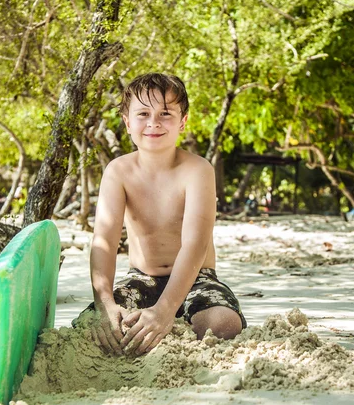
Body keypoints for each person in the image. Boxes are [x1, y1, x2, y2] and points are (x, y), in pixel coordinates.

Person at [73, 73, 246, 356]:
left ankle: (171, 320)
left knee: (223, 325)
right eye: (143, 113)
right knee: (92, 325)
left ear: (183, 122)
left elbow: (195, 244)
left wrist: (165, 311)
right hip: (142, 278)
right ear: (128, 123)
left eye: (165, 113)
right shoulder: (119, 171)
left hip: (197, 277)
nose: (153, 122)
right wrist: (106, 303)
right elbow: (104, 240)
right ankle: (154, 325)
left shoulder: (197, 170)